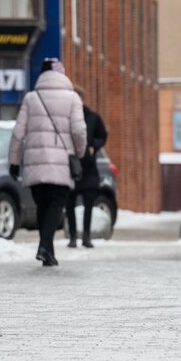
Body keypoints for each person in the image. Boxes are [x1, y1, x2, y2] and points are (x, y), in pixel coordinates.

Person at [9, 58, 86, 267]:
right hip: (61, 161)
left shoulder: (31, 98)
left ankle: (48, 253)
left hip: (35, 162)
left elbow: (18, 133)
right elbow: (79, 130)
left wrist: (14, 162)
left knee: (43, 206)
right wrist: (78, 153)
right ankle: (44, 246)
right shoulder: (72, 98)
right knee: (56, 205)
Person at [66, 86, 108, 249]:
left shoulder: (92, 117)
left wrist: (94, 147)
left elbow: (102, 136)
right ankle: (72, 237)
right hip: (71, 166)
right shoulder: (66, 117)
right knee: (69, 203)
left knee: (89, 204)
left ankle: (86, 236)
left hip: (89, 168)